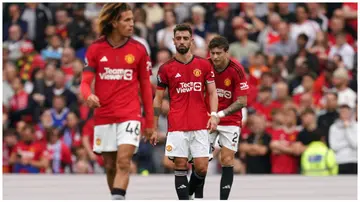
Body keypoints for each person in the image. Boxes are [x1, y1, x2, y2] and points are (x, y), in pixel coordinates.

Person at [79, 3, 155, 200]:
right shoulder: (96, 49)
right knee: (110, 165)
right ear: (114, 23)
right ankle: (116, 196)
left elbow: (146, 88)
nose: (132, 24)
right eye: (127, 20)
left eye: (132, 19)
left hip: (130, 115)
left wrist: (150, 122)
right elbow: (85, 82)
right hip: (104, 115)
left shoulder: (139, 49)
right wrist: (88, 96)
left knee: (123, 162)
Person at [153, 23, 218, 200]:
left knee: (202, 167)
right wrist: (153, 125)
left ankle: (188, 194)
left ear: (191, 41)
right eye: (178, 38)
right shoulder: (166, 68)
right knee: (180, 164)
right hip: (177, 124)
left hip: (200, 123)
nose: (182, 41)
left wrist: (214, 115)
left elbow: (212, 92)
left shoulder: (204, 65)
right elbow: (158, 98)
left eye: (185, 38)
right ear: (173, 41)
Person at [206, 36, 249, 200]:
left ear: (226, 52)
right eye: (212, 53)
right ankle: (197, 196)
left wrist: (220, 114)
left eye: (218, 53)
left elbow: (242, 101)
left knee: (227, 158)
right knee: (201, 162)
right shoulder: (205, 66)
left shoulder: (236, 69)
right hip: (209, 117)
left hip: (230, 119)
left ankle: (223, 199)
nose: (215, 57)